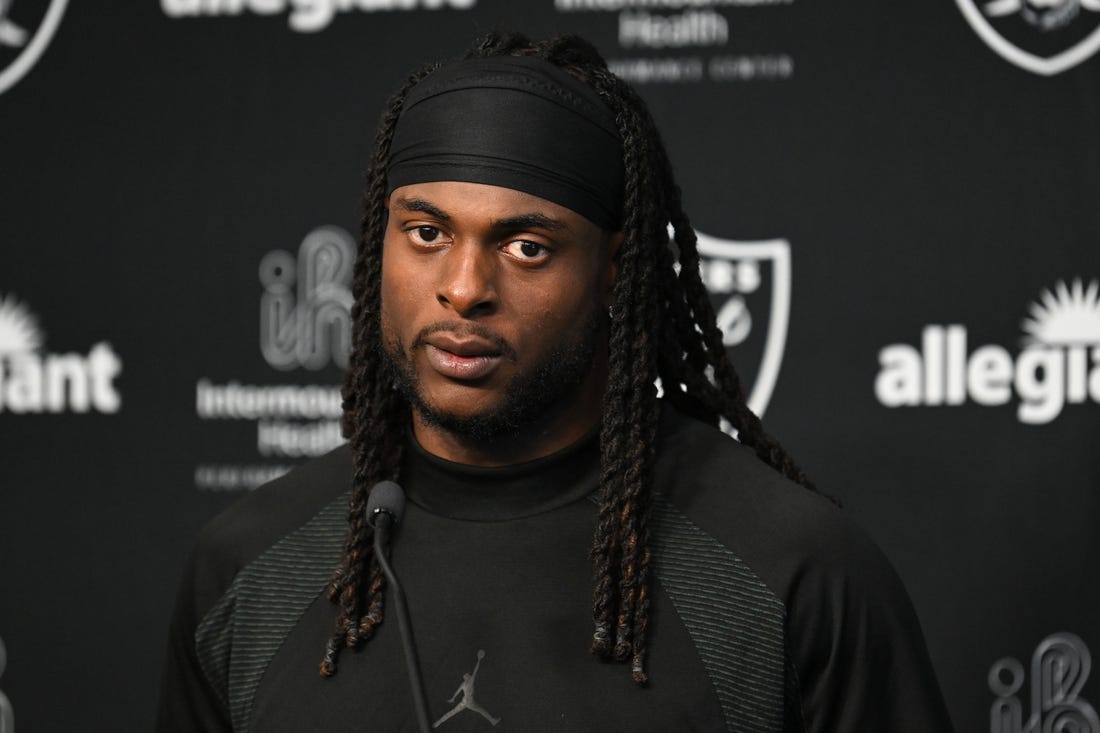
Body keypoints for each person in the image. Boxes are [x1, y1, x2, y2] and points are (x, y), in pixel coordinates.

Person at [156, 31, 956, 733]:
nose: (465, 286)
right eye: (427, 233)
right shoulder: (248, 570)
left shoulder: (794, 571)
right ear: (380, 244)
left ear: (613, 271)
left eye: (526, 246)